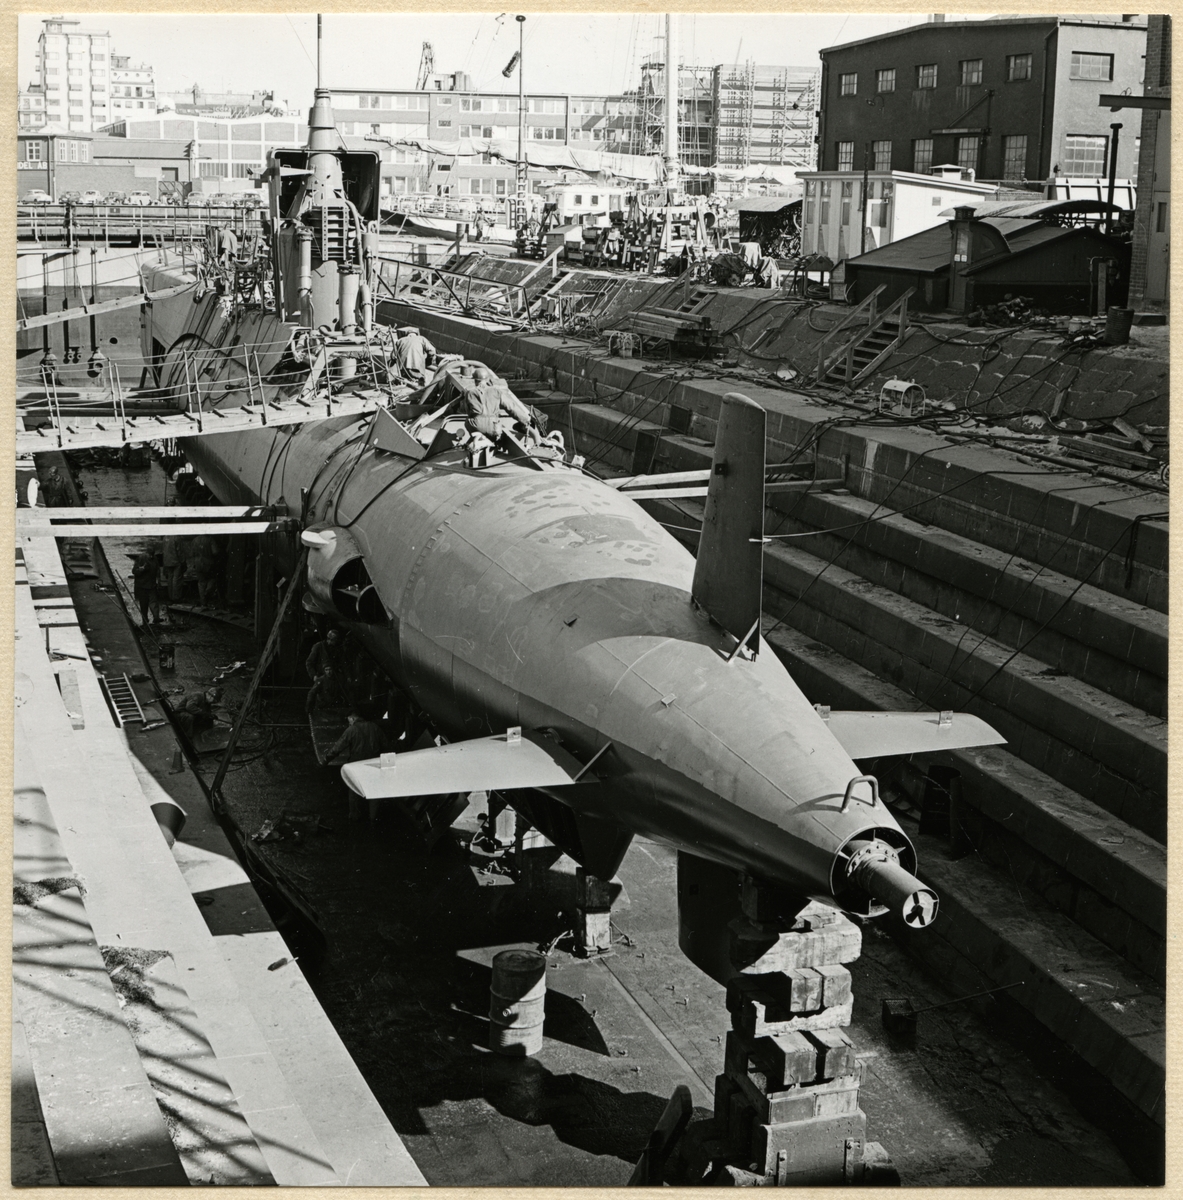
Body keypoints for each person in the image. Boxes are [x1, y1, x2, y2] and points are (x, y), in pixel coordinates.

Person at [305, 627, 345, 713]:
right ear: (330, 639)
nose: (336, 642)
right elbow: (309, 662)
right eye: (335, 640)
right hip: (321, 676)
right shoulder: (319, 647)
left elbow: (342, 663)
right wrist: (314, 675)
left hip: (332, 676)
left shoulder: (337, 648)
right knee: (320, 697)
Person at [131, 547, 161, 627]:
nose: (151, 556)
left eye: (152, 555)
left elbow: (158, 569)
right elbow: (134, 571)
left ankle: (156, 617)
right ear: (146, 553)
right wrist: (141, 569)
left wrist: (158, 580)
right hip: (142, 586)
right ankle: (145, 620)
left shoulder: (155, 559)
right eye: (150, 555)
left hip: (152, 584)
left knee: (154, 601)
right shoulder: (141, 559)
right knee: (143, 604)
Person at [189, 533, 220, 607]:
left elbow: (191, 553)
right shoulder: (210, 539)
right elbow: (215, 552)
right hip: (208, 563)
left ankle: (203, 602)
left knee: (201, 582)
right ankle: (207, 591)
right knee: (212, 579)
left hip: (198, 564)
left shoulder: (195, 540)